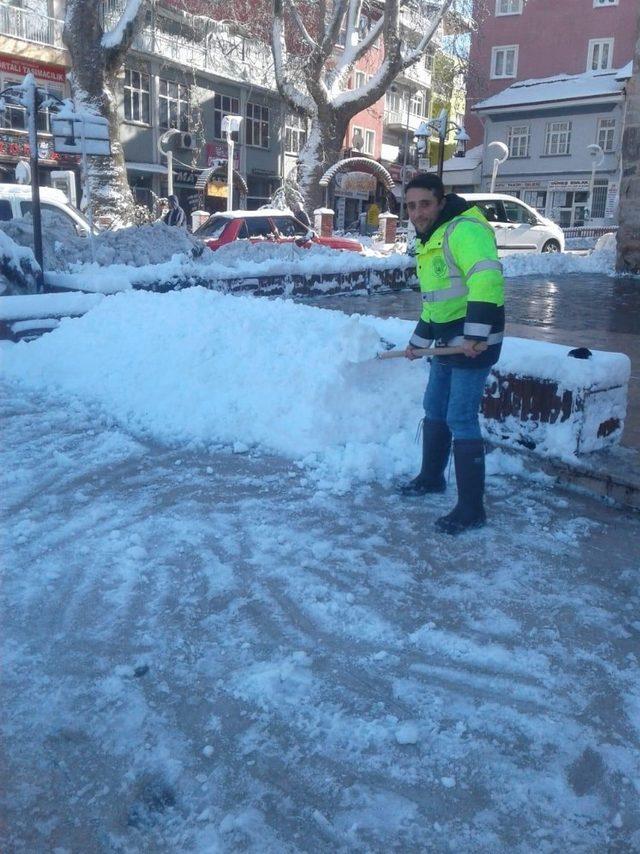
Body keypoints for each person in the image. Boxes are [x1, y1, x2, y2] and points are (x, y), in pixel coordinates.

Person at [400, 173, 505, 535]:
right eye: (411, 206)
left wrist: (476, 334)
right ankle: (431, 478)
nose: (417, 212)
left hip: (473, 343)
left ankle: (471, 509)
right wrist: (417, 342)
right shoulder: (428, 242)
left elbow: (487, 279)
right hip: (447, 341)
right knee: (434, 408)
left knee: (460, 417)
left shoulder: (463, 231)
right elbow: (435, 304)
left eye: (424, 203)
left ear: (441, 202)